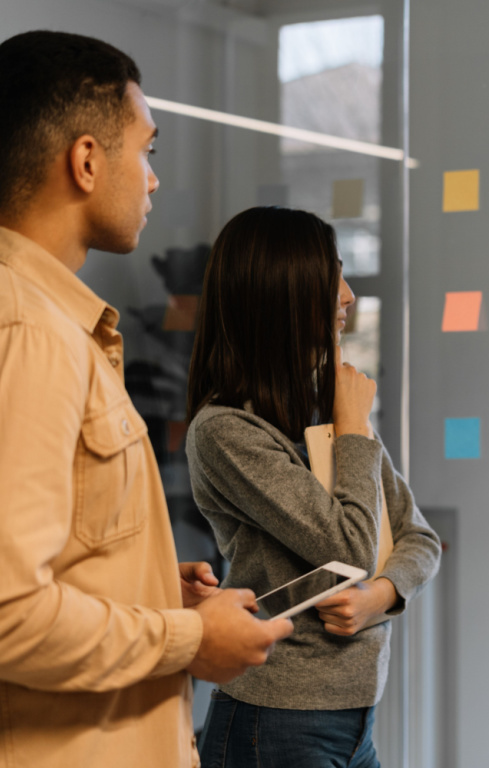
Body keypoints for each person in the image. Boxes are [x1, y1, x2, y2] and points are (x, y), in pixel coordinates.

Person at [0, 30, 294, 768]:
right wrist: (188, 639)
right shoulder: (31, 332)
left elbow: (58, 563)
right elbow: (8, 614)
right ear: (87, 161)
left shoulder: (56, 325)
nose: (154, 180)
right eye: (146, 150)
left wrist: (151, 591)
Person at [185, 206, 442, 768]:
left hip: (356, 723)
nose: (348, 296)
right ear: (284, 293)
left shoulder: (330, 408)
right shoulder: (226, 431)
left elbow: (420, 538)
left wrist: (380, 596)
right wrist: (352, 430)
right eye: (333, 279)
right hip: (275, 724)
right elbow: (349, 547)